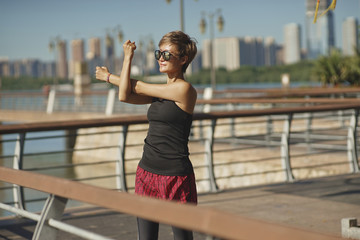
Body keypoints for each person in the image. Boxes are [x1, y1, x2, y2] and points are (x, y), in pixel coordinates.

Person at [96, 31, 198, 240]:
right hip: (147, 173)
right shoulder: (158, 94)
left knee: (183, 237)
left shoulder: (185, 90)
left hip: (176, 177)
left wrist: (108, 77)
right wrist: (127, 58)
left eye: (167, 55)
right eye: (158, 54)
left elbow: (139, 86)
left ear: (183, 59)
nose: (161, 58)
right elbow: (125, 95)